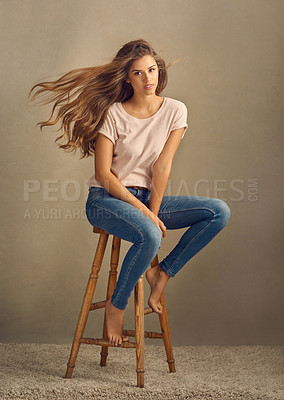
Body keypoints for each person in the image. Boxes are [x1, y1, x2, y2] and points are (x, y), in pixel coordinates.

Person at [30, 39, 231, 348]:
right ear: (127, 78)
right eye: (138, 73)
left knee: (218, 211)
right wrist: (146, 212)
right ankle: (116, 306)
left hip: (149, 199)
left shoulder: (176, 110)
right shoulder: (113, 113)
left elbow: (162, 167)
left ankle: (162, 274)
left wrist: (153, 208)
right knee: (149, 233)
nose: (148, 78)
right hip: (107, 200)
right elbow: (103, 175)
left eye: (152, 70)